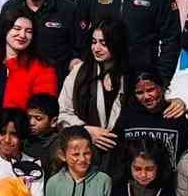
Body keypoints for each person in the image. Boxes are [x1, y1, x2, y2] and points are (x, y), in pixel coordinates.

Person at [57, 19, 134, 183]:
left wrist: (177, 101)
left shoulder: (130, 75)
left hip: (122, 159)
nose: (96, 48)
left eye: (103, 43)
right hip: (85, 158)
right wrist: (86, 131)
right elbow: (63, 112)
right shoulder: (80, 72)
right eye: (94, 42)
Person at [0, 0, 82, 80]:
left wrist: (74, 63)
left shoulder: (69, 10)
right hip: (17, 85)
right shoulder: (9, 8)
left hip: (56, 87)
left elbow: (80, 49)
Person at [0, 14, 58, 123]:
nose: (22, 35)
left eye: (28, 31)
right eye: (17, 28)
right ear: (5, 29)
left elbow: (44, 111)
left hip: (22, 130)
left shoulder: (43, 68)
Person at [116, 68, 188, 167]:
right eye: (139, 92)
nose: (146, 96)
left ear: (162, 88)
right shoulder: (127, 117)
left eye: (150, 90)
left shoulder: (176, 114)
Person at [22, 93, 61, 169]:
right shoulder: (24, 141)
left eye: (38, 118)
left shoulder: (58, 146)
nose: (31, 122)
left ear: (53, 121)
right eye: (29, 117)